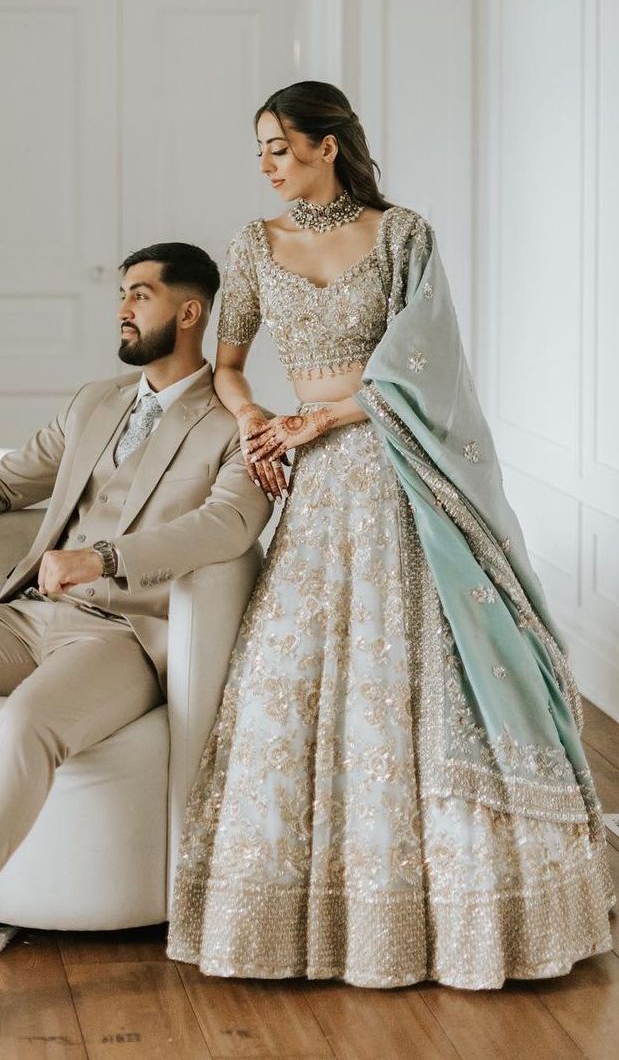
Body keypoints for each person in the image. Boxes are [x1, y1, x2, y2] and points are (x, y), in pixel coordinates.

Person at [167, 82, 614, 989]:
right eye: (259, 151)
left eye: (280, 148)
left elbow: (430, 370)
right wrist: (257, 417)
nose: (267, 166)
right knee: (298, 672)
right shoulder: (255, 245)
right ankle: (303, 913)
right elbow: (226, 362)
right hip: (319, 490)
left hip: (399, 472)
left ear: (328, 145)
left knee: (424, 666)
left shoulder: (403, 235)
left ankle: (461, 915)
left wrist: (323, 418)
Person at [0, 241, 272, 885]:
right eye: (122, 294)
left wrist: (104, 557)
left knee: (29, 724)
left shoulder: (237, 425)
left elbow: (226, 524)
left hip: (124, 634)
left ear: (189, 312)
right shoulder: (93, 400)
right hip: (30, 613)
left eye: (141, 295)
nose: (123, 308)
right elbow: (14, 481)